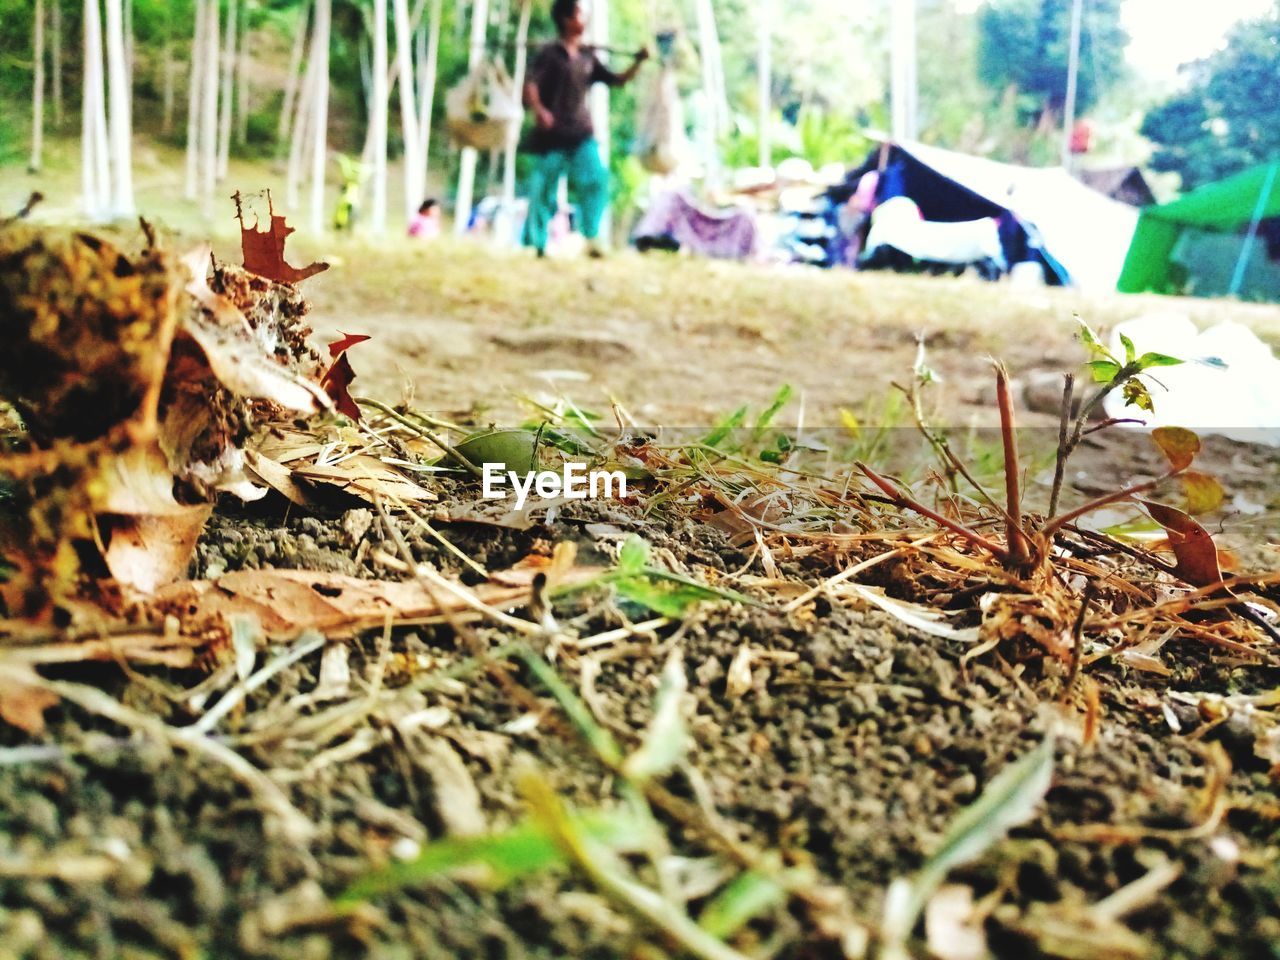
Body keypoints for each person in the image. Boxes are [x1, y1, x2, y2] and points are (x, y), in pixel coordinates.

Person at [521, 0, 648, 258]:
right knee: (543, 188)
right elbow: (530, 85)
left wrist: (638, 63)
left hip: (580, 132)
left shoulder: (588, 56)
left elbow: (616, 80)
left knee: (595, 181)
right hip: (552, 134)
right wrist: (540, 111)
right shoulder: (550, 54)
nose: (584, 18)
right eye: (579, 13)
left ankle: (592, 238)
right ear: (567, 20)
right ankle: (538, 243)